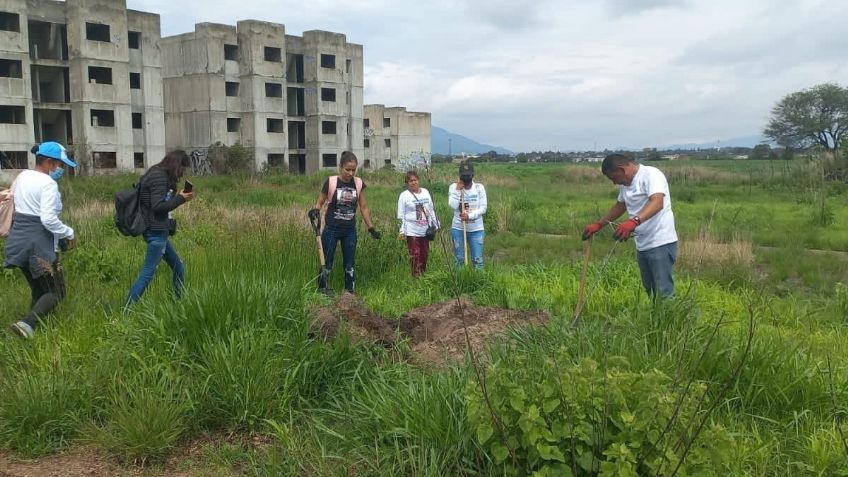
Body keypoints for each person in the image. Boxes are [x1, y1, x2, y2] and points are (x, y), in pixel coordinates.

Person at [4, 142, 77, 339]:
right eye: (59, 164)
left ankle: (33, 328)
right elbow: (48, 218)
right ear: (48, 162)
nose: (60, 169)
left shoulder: (22, 176)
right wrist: (68, 232)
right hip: (38, 244)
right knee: (57, 291)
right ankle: (27, 325)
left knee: (39, 289)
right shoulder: (48, 184)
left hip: (18, 240)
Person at [582, 153, 678, 298]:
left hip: (660, 242)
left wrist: (634, 221)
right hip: (643, 244)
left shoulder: (651, 175)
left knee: (664, 292)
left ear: (622, 169)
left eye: (614, 178)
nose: (615, 183)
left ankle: (672, 320)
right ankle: (656, 321)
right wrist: (599, 225)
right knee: (650, 291)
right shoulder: (626, 185)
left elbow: (657, 202)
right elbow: (621, 206)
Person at [125, 150, 194, 305]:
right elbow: (158, 206)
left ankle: (179, 302)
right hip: (155, 233)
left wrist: (178, 196)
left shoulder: (157, 173)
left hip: (159, 231)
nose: (182, 173)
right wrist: (180, 199)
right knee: (147, 273)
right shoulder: (159, 177)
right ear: (176, 165)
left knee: (179, 267)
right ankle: (126, 309)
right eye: (182, 169)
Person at [308, 151, 380, 294]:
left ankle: (349, 293)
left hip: (349, 231)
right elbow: (320, 201)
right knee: (327, 263)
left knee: (349, 264)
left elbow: (363, 207)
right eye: (347, 169)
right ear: (340, 167)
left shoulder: (358, 183)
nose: (351, 173)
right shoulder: (331, 182)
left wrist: (371, 228)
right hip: (331, 229)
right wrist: (315, 210)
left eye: (353, 170)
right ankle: (322, 289)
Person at [397, 170, 439, 277]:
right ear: (407, 183)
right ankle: (415, 276)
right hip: (412, 230)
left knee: (424, 254)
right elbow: (400, 214)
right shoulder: (404, 195)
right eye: (410, 181)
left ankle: (423, 275)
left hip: (425, 230)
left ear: (418, 180)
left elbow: (431, 209)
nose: (413, 182)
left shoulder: (425, 192)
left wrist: (436, 223)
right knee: (415, 255)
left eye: (415, 180)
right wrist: (402, 230)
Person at [448, 161, 487, 269]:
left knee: (477, 259)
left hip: (476, 229)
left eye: (468, 175)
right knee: (459, 259)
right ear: (459, 175)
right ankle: (461, 283)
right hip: (458, 228)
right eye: (463, 175)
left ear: (472, 175)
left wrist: (469, 216)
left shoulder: (479, 188)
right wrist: (458, 191)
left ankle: (479, 283)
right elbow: (453, 205)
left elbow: (483, 208)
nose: (466, 177)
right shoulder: (453, 187)